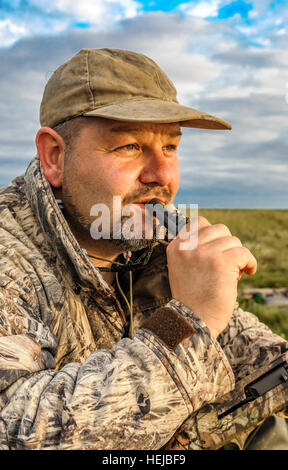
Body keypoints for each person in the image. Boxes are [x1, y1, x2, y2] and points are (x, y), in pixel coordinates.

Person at [0, 48, 287, 450]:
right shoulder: (9, 256)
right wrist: (189, 321)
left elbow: (255, 356)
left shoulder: (152, 242)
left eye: (170, 147)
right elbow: (16, 428)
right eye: (130, 146)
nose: (162, 176)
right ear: (55, 157)